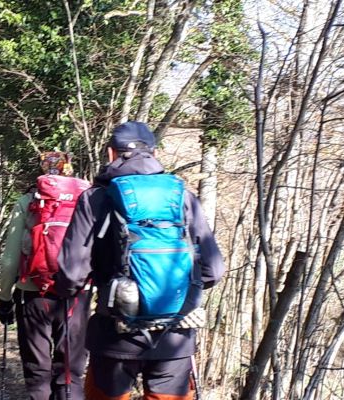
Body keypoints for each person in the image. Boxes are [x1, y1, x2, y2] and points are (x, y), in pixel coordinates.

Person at [54, 122, 223, 400]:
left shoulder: (95, 198)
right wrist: (173, 295)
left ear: (111, 154)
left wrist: (69, 293)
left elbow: (72, 274)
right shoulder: (183, 197)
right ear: (154, 153)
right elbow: (213, 270)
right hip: (176, 337)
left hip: (114, 334)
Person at [0, 152, 92, 400]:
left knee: (37, 371)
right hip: (76, 293)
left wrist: (5, 298)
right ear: (69, 170)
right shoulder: (87, 200)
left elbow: (9, 259)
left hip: (33, 292)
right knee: (70, 371)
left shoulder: (29, 202)